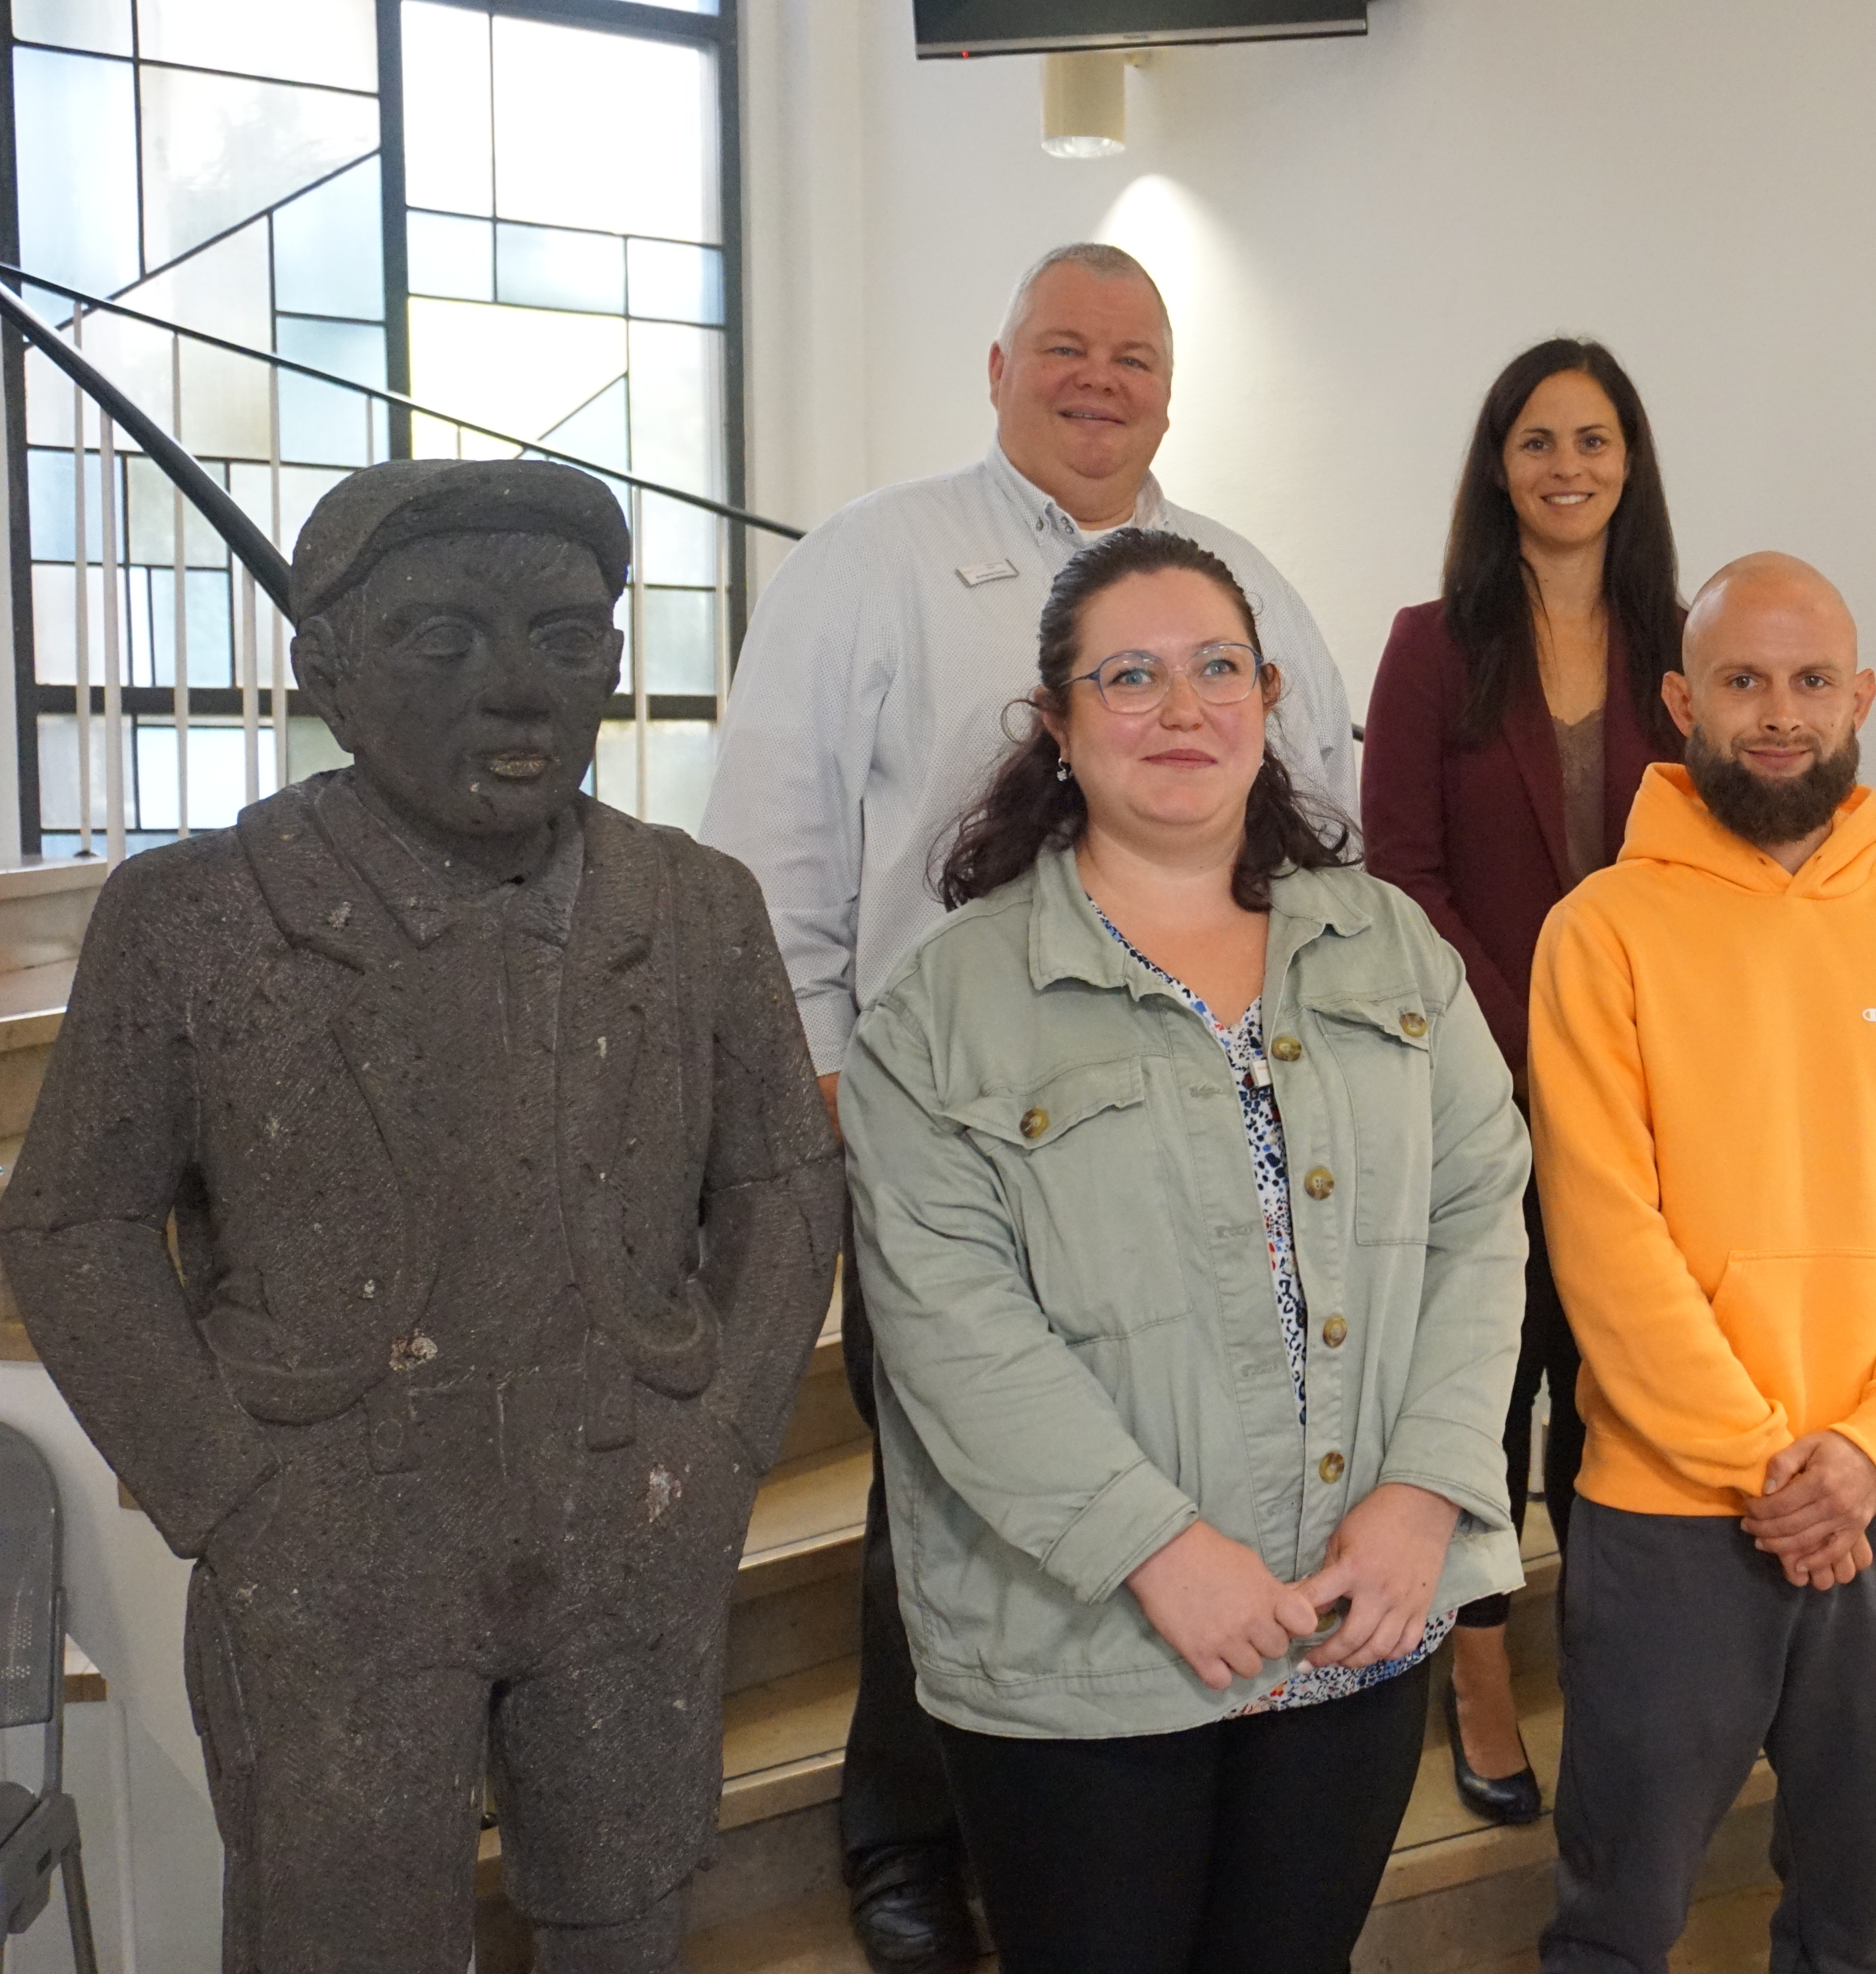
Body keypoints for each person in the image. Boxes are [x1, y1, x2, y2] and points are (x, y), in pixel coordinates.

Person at [0, 460, 843, 1971]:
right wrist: (231, 1492)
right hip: (337, 1533)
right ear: (326, 669)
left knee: (627, 1910)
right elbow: (76, 1224)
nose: (518, 691)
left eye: (567, 641)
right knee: (339, 1933)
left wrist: (718, 1446)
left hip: (625, 1512)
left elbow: (785, 1181)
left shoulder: (694, 908)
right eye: (441, 642)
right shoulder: (200, 918)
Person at [698, 242, 1359, 1972]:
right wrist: (838, 1091)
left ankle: (1140, 1799)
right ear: (997, 366)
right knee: (953, 1484)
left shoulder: (1251, 591)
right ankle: (909, 1830)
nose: (1098, 381)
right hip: (945, 1134)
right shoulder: (873, 563)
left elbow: (1324, 842)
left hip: (1207, 1141)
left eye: (1132, 356)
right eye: (1062, 348)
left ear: (1168, 386)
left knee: (1155, 1471)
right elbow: (767, 861)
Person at [836, 529, 1529, 1974]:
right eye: (1130, 676)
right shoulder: (944, 1011)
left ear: (1269, 700)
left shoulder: (1390, 948)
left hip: (1358, 1610)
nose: (1182, 707)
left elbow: (1480, 1219)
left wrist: (1422, 1501)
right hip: (1088, 1652)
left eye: (1219, 668)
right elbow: (948, 1325)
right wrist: (1157, 1549)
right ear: (1060, 723)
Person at [1528, 553, 1876, 1972]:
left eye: (1812, 681)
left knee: (1854, 1923)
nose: (1779, 713)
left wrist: (1869, 1450)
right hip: (1673, 1510)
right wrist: (1770, 1464)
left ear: (1860, 697)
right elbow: (1604, 1235)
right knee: (1619, 1919)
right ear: (1684, 700)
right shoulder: (1602, 934)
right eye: (1744, 681)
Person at [1359, 336, 1683, 1823]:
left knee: (1617, 1402)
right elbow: (1401, 878)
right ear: (1500, 464)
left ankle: (1621, 1690)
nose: (1568, 467)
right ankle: (1478, 1685)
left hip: (1649, 1108)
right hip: (1472, 1103)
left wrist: (1615, 1054)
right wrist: (1534, 1037)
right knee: (1482, 1395)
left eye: (1595, 439)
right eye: (1539, 440)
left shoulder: (1680, 645)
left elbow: (1709, 874)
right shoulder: (1434, 643)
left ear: (1631, 463)